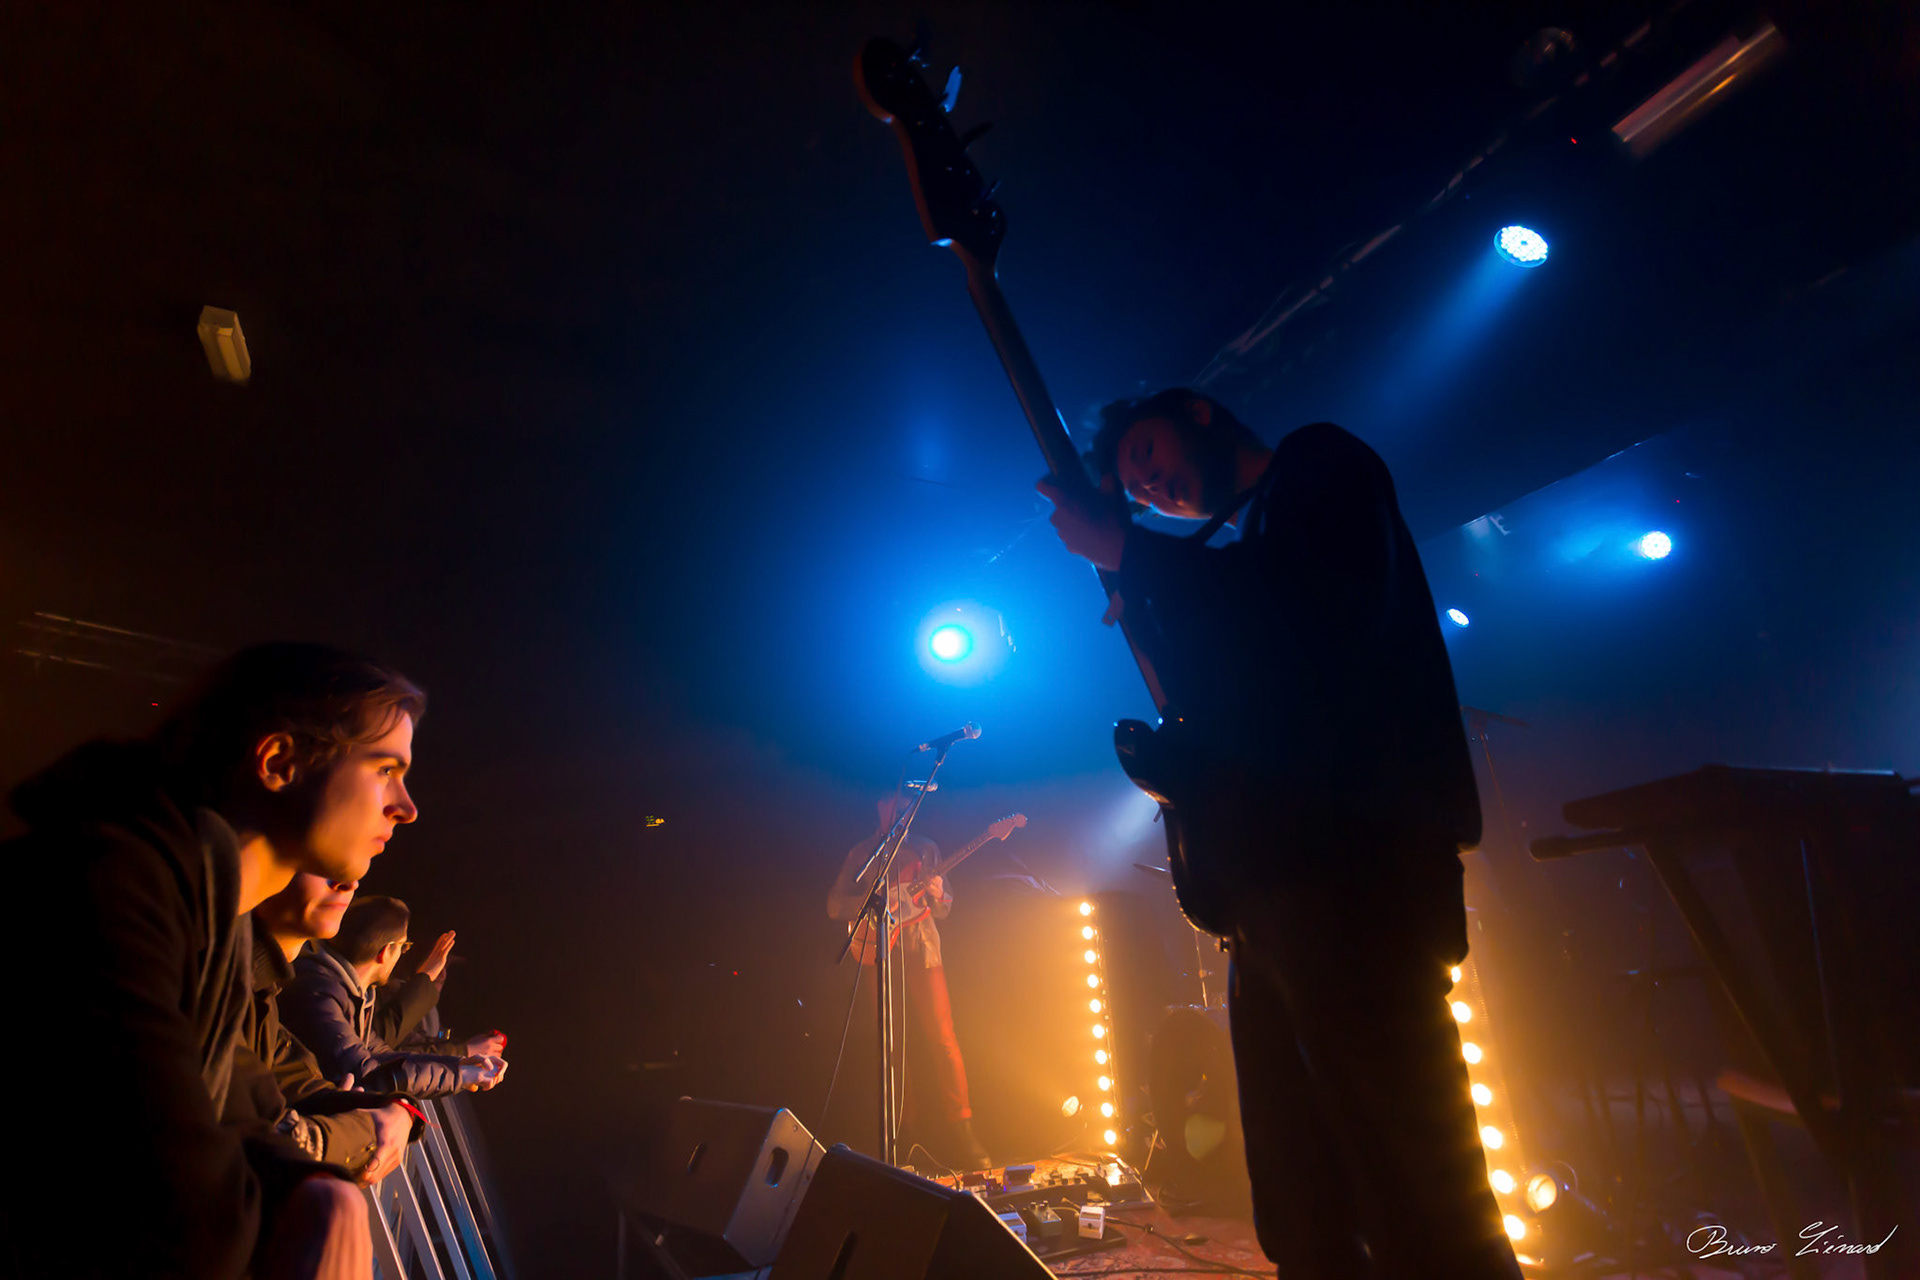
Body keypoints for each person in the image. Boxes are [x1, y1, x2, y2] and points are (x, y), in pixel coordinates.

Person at [1036, 390, 1521, 1280]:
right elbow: (1243, 687)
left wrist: (1134, 553)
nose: (1152, 484)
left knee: (1416, 1179)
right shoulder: (1245, 550)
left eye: (1148, 452)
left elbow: (1305, 622)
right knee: (1302, 1196)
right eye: (1140, 490)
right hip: (1273, 894)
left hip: (1354, 877)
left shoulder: (1320, 461)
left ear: (1198, 412)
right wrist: (1147, 582)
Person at [3, 642, 425, 1279]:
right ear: (279, 762)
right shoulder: (111, 890)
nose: (406, 807)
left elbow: (248, 1121)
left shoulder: (206, 929)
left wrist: (321, 1189)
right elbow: (187, 1221)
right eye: (385, 770)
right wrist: (317, 1188)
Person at [828, 791, 990, 1171]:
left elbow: (946, 907)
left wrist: (938, 893)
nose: (901, 812)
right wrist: (871, 901)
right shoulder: (862, 854)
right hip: (879, 949)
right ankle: (902, 1133)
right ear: (879, 806)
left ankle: (963, 1131)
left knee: (943, 1035)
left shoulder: (927, 849)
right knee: (890, 1043)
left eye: (906, 806)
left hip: (921, 948)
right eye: (893, 805)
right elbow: (834, 903)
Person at [235, 872, 424, 1183]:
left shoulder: (265, 992)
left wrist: (401, 1108)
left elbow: (304, 1083)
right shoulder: (312, 989)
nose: (350, 884)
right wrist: (373, 1126)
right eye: (321, 866)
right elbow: (278, 1139)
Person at [282, 894, 508, 1098]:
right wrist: (461, 1074)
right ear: (386, 951)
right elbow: (368, 1073)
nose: (403, 953)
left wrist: (459, 1065)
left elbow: (387, 1058)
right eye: (403, 946)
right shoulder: (320, 992)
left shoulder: (352, 996)